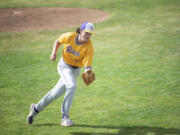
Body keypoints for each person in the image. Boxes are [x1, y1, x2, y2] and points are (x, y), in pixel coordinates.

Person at [27, 22, 95, 126]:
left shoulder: (89, 47)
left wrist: (88, 72)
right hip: (64, 66)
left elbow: (87, 65)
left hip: (75, 71)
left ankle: (35, 109)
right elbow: (58, 41)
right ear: (80, 31)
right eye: (86, 33)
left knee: (55, 93)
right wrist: (53, 53)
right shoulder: (69, 36)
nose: (88, 36)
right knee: (72, 86)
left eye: (90, 34)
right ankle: (65, 118)